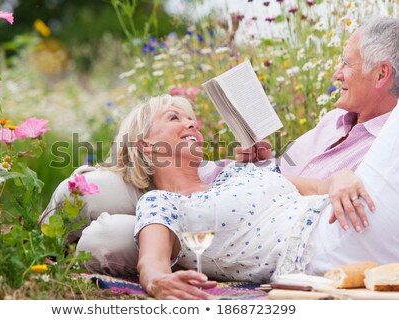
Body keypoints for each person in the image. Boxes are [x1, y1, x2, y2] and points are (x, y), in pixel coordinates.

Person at [108, 93, 399, 300]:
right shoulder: (163, 203)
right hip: (328, 240)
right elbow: (151, 261)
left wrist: (342, 177)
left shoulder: (236, 174)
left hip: (350, 211)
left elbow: (321, 187)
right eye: (174, 118)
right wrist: (158, 283)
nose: (192, 124)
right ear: (145, 145)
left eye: (192, 119)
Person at [205, 15, 399, 232]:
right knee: (182, 170)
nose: (337, 74)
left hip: (268, 223)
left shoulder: (386, 148)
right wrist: (264, 162)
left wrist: (266, 179)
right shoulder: (334, 118)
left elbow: (322, 207)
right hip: (247, 187)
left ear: (381, 74)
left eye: (346, 63)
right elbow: (292, 173)